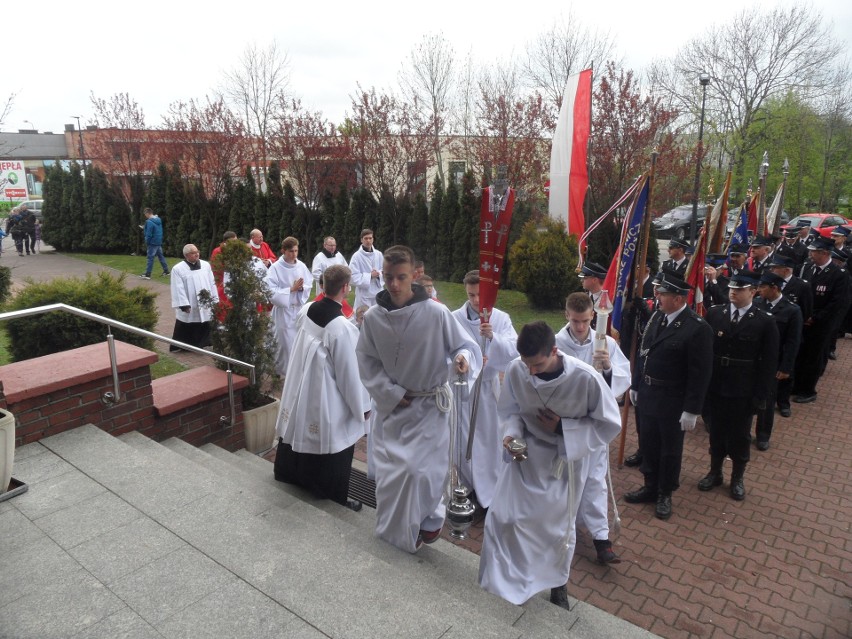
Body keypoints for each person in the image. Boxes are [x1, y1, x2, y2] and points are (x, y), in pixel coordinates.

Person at [478, 321, 621, 609]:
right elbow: (510, 410)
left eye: (538, 365)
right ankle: (501, 581)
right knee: (502, 518)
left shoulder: (585, 379)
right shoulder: (520, 368)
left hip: (563, 460)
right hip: (525, 454)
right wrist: (512, 438)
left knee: (554, 531)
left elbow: (608, 425)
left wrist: (561, 429)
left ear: (554, 351)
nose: (531, 371)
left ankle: (558, 584)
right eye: (526, 364)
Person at [356, 245, 481, 554]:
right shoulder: (373, 318)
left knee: (424, 472)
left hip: (429, 407)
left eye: (401, 277)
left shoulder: (435, 312)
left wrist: (462, 359)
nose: (394, 285)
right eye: (388, 277)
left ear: (415, 275)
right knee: (391, 477)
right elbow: (367, 361)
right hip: (394, 408)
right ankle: (396, 537)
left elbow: (462, 345)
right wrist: (391, 393)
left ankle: (428, 518)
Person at [274, 265, 371, 512]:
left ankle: (293, 475)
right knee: (331, 437)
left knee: (298, 426)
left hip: (301, 385)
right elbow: (350, 375)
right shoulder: (341, 328)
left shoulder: (307, 310)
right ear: (346, 288)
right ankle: (330, 495)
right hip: (323, 394)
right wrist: (362, 406)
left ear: (322, 285)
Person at [625, 273, 712, 520]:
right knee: (649, 443)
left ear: (677, 298)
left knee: (670, 450)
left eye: (662, 294)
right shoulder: (657, 317)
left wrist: (692, 409)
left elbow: (701, 373)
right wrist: (636, 384)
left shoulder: (697, 328)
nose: (658, 297)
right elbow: (644, 354)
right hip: (649, 393)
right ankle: (650, 485)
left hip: (674, 399)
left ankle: (665, 492)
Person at [556, 292, 630, 564]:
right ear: (567, 315)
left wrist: (609, 368)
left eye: (585, 321)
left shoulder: (605, 343)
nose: (579, 327)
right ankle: (561, 530)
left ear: (593, 317)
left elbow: (624, 375)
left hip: (596, 423)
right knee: (567, 480)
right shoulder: (556, 343)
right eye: (575, 321)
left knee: (596, 479)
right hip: (570, 424)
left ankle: (602, 538)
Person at [699, 272, 778, 501]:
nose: (733, 291)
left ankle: (737, 477)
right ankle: (715, 472)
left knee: (739, 435)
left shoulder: (764, 321)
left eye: (740, 289)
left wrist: (761, 395)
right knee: (716, 431)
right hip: (717, 385)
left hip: (743, 388)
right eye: (732, 287)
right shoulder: (716, 313)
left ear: (753, 291)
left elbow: (769, 362)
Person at [451, 270, 518, 510]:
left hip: (488, 390)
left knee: (488, 440)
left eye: (480, 294)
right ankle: (468, 486)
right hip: (462, 391)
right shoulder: (455, 317)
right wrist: (463, 361)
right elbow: (447, 348)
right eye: (471, 295)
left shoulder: (500, 318)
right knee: (462, 441)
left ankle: (488, 492)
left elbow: (514, 348)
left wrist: (494, 338)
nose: (476, 301)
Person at [792, 236, 851, 403]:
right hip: (804, 319)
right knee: (800, 354)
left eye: (814, 252)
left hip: (822, 324)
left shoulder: (839, 274)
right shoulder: (808, 268)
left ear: (825, 253)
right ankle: (796, 385)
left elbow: (838, 303)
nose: (810, 254)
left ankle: (808, 390)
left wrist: (816, 318)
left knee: (814, 357)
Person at [753, 272, 802, 447]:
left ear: (775, 288)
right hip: (752, 361)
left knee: (766, 401)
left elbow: (792, 342)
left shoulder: (791, 310)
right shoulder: (757, 304)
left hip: (773, 363)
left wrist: (786, 367)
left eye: (762, 287)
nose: (759, 291)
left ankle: (763, 435)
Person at [265, 237, 313, 376]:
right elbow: (270, 290)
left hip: (297, 310)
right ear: (283, 251)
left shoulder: (301, 266)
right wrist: (290, 289)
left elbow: (309, 283)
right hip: (283, 311)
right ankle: (282, 371)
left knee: (298, 342)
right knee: (284, 343)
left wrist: (302, 288)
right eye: (291, 251)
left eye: (296, 251)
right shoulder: (275, 268)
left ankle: (297, 372)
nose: (294, 254)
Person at [169, 244, 218, 351]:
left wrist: (214, 298)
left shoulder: (206, 265)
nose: (197, 254)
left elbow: (212, 282)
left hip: (205, 301)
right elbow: (178, 287)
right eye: (193, 253)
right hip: (190, 302)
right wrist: (184, 304)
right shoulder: (178, 269)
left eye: (197, 252)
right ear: (186, 255)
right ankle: (186, 346)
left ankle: (204, 342)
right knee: (187, 323)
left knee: (206, 321)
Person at [349, 229, 384, 309]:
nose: (368, 240)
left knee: (378, 316)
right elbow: (352, 276)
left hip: (378, 292)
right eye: (366, 238)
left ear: (373, 239)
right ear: (361, 240)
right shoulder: (356, 256)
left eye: (370, 238)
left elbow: (384, 270)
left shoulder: (378, 254)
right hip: (364, 294)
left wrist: (379, 274)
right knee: (364, 317)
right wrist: (370, 276)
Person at [140, 208, 170, 279]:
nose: (145, 216)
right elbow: (155, 229)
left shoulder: (149, 222)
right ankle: (166, 271)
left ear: (147, 213)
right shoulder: (158, 220)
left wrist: (147, 241)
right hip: (158, 241)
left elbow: (149, 234)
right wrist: (145, 227)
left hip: (152, 242)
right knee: (161, 256)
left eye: (145, 214)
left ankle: (148, 274)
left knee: (150, 258)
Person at [579, 262, 608, 330]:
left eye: (584, 278)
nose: (581, 280)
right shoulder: (584, 298)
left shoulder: (608, 300)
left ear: (594, 280)